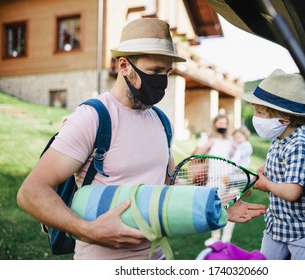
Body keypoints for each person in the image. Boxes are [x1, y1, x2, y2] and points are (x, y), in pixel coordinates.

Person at [16, 18, 265, 260]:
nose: (161, 81)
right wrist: (88, 230)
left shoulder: (161, 121)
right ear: (123, 66)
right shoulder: (92, 118)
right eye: (155, 71)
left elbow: (170, 188)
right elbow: (31, 192)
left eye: (166, 72)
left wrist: (217, 206)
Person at [243, 69, 305, 260]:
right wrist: (268, 170)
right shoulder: (280, 136)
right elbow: (282, 163)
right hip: (278, 225)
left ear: (283, 119)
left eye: (260, 112)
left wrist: (266, 184)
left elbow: (292, 192)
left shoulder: (301, 144)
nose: (255, 117)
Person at [193, 114, 238, 246]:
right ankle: (215, 236)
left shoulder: (232, 141)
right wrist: (207, 144)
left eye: (225, 123)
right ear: (215, 124)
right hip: (214, 180)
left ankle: (226, 239)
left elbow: (241, 157)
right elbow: (195, 156)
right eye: (220, 123)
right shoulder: (209, 139)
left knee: (231, 209)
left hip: (231, 179)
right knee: (215, 209)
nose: (223, 126)